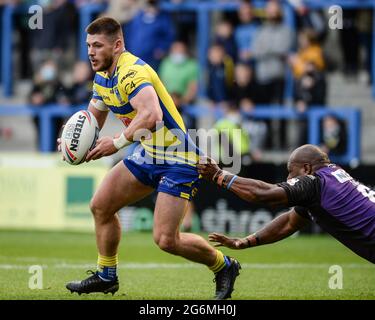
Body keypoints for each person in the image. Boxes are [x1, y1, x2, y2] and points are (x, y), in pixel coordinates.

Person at [58, 17, 241, 300]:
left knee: (166, 240)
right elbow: (92, 118)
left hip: (179, 158)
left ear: (117, 45)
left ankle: (224, 265)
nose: (91, 52)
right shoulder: (102, 77)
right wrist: (72, 140)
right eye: (88, 46)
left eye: (97, 45)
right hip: (148, 154)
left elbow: (152, 116)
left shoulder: (133, 72)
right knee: (101, 206)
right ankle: (106, 275)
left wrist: (116, 143)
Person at [197, 144, 375, 264]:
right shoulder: (331, 177)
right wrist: (245, 242)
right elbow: (289, 223)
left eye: (291, 172)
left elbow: (264, 194)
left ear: (306, 168)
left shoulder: (314, 182)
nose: (289, 178)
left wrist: (219, 176)